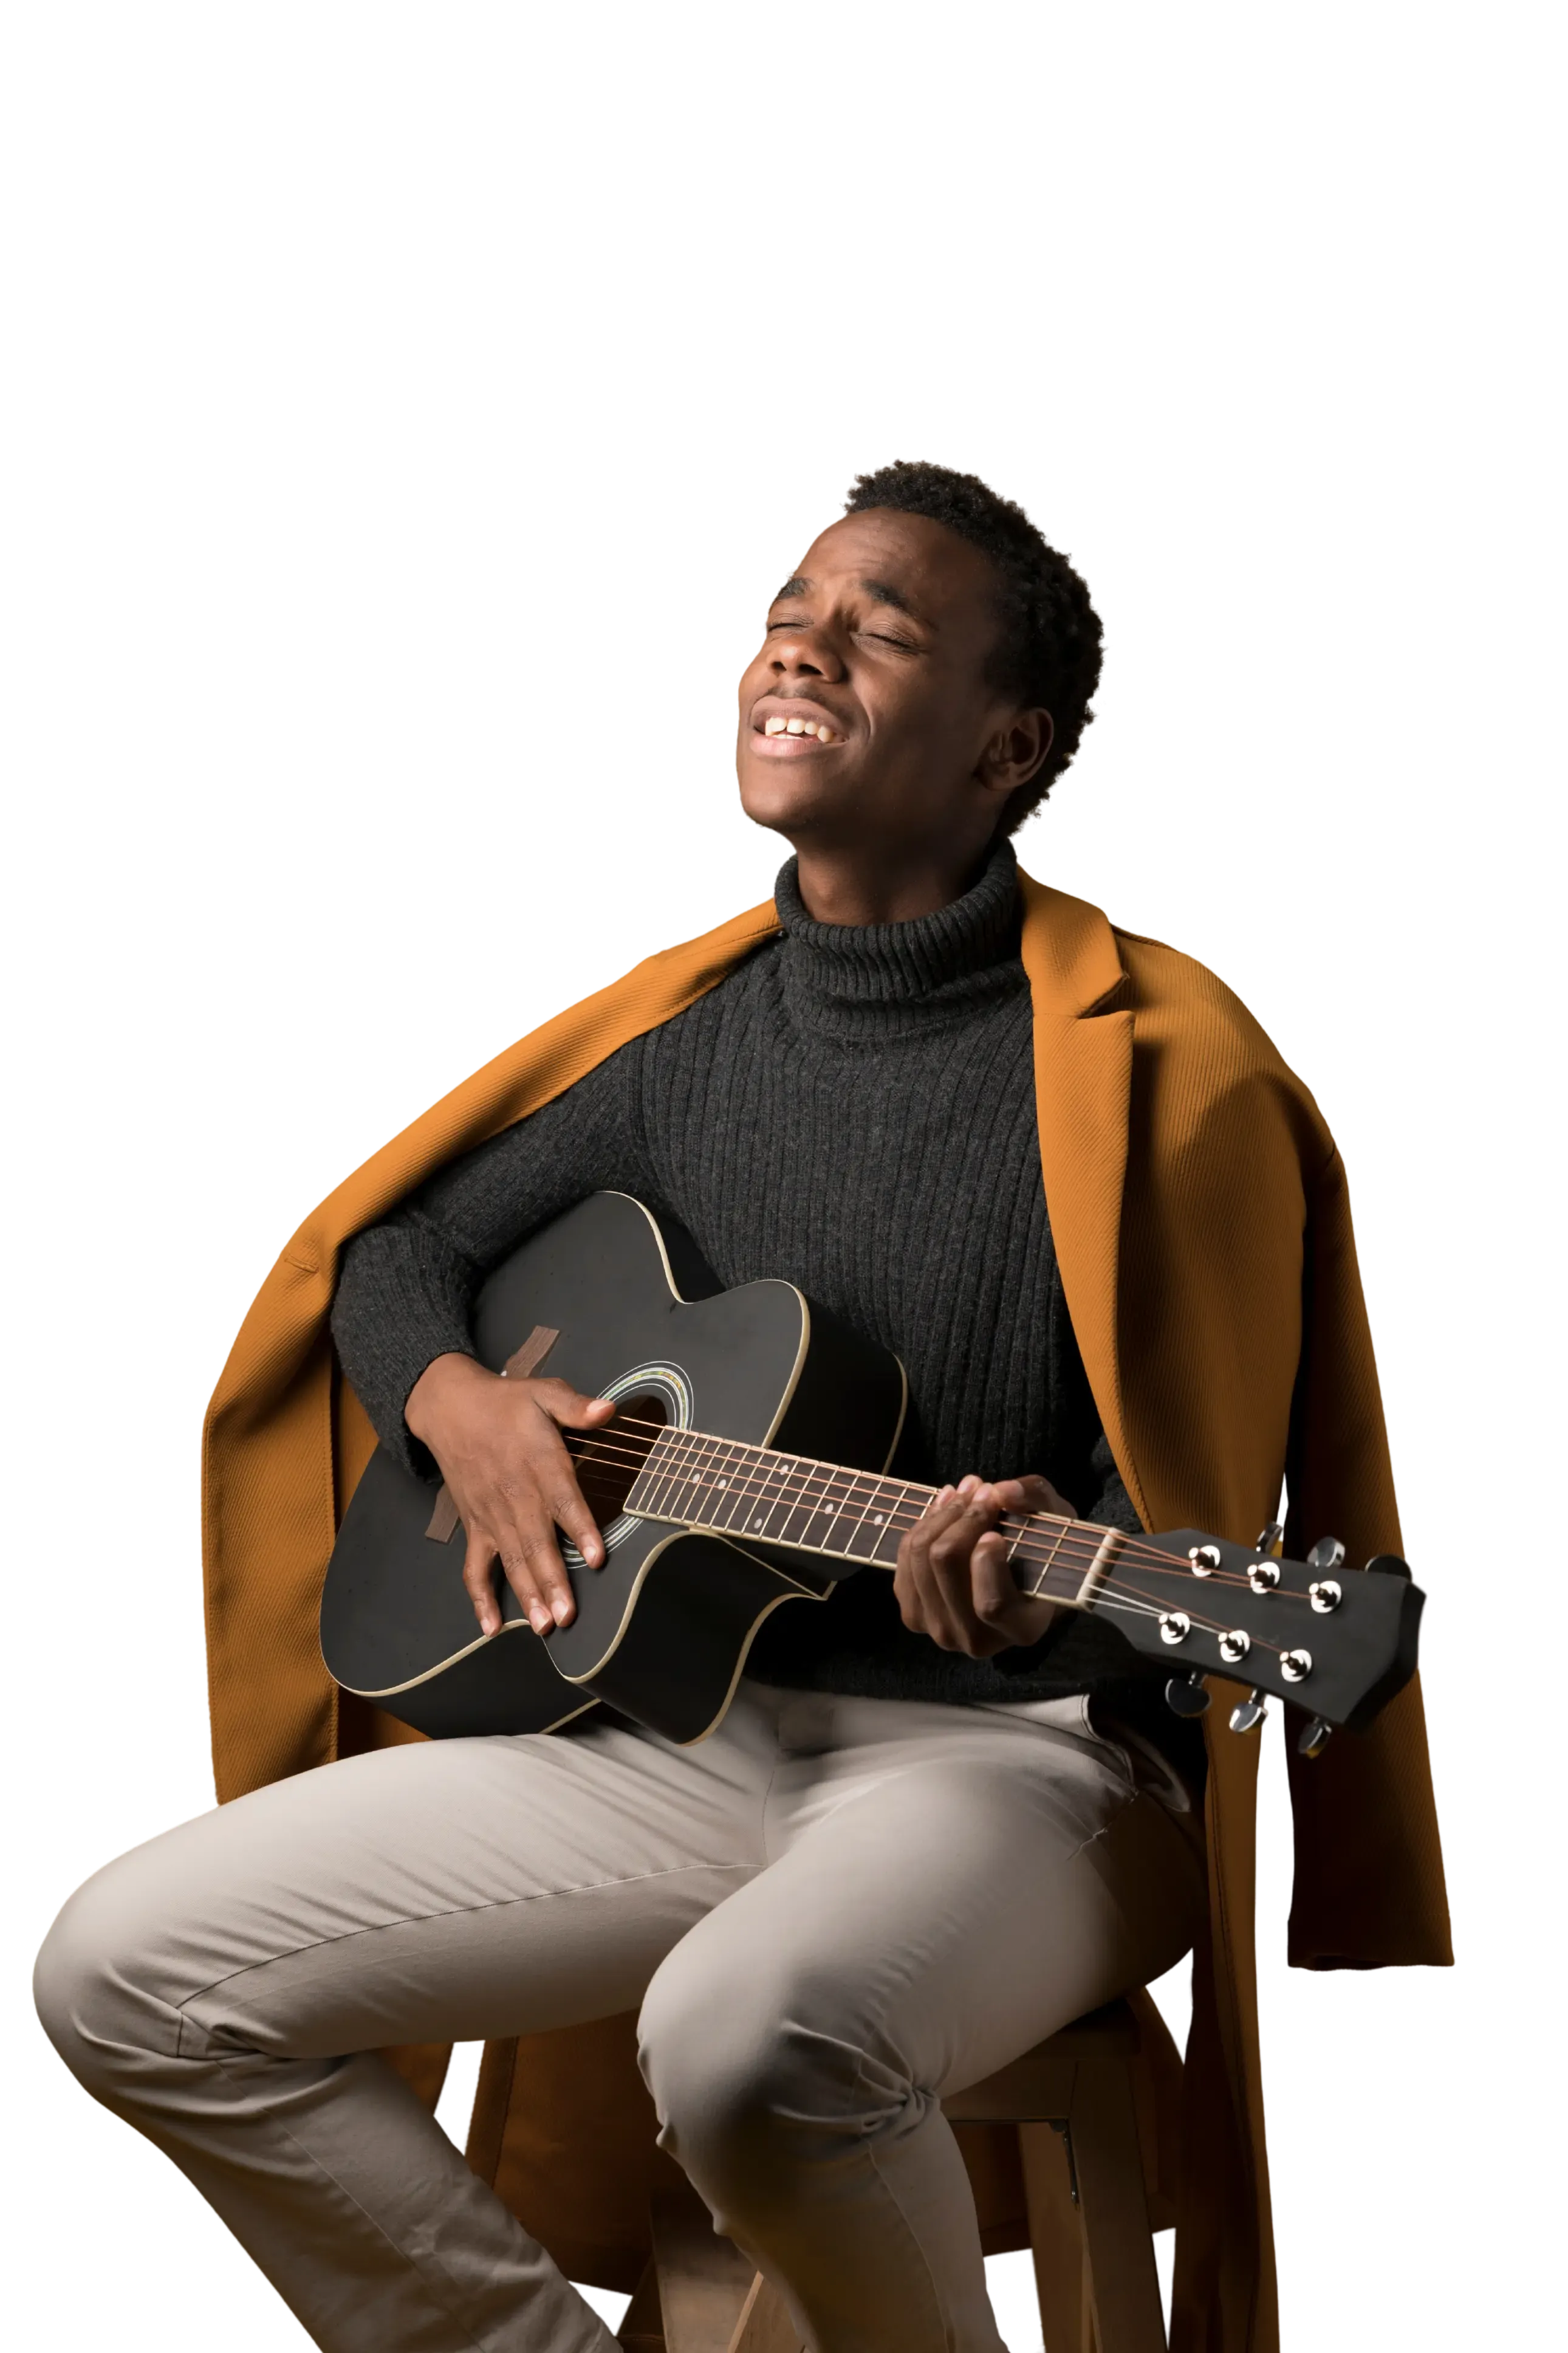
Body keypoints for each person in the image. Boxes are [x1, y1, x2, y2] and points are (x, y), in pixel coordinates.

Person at [37, 459, 1259, 2352]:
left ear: (1006, 745)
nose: (798, 648)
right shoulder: (685, 1041)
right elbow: (398, 1250)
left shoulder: (1164, 1070)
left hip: (1027, 1771)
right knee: (121, 1972)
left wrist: (1045, 1594)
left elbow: (1217, 1530)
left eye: (878, 630)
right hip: (684, 1733)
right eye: (785, 613)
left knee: (744, 2037)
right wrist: (459, 1405)